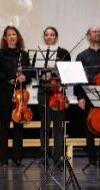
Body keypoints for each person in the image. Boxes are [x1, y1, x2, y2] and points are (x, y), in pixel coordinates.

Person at [74, 26, 100, 167]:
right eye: (93, 32)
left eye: (99, 32)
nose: (96, 33)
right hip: (87, 93)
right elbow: (77, 78)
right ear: (88, 36)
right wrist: (80, 96)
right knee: (90, 127)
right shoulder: (81, 56)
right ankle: (92, 157)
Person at [0, 26, 32, 167]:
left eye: (14, 34)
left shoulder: (24, 55)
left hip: (20, 95)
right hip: (4, 92)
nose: (11, 37)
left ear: (18, 36)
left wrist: (24, 77)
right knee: (4, 126)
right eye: (8, 35)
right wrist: (11, 77)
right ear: (5, 38)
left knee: (18, 126)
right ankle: (3, 158)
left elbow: (30, 74)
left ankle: (17, 157)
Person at [36, 27, 71, 163]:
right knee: (44, 125)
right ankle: (44, 154)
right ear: (44, 37)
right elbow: (35, 72)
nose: (49, 37)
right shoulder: (39, 53)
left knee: (58, 125)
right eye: (46, 35)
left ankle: (58, 156)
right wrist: (41, 75)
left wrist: (54, 74)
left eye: (52, 35)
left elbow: (68, 72)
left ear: (56, 37)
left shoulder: (64, 53)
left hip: (58, 93)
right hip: (43, 91)